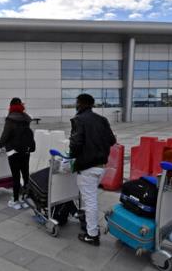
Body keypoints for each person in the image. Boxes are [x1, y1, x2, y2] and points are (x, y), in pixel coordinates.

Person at [69, 93, 116, 246]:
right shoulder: (102, 120)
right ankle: (86, 221)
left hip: (87, 166)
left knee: (90, 201)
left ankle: (92, 234)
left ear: (80, 104)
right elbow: (112, 140)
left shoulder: (79, 120)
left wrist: (72, 156)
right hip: (101, 166)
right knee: (88, 197)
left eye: (77, 103)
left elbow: (76, 144)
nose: (76, 105)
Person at [0, 98, 35, 210]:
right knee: (25, 174)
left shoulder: (10, 119)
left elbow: (5, 135)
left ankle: (15, 200)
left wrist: (0, 145)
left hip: (13, 151)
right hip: (26, 150)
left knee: (15, 176)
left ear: (11, 106)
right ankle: (25, 198)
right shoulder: (26, 118)